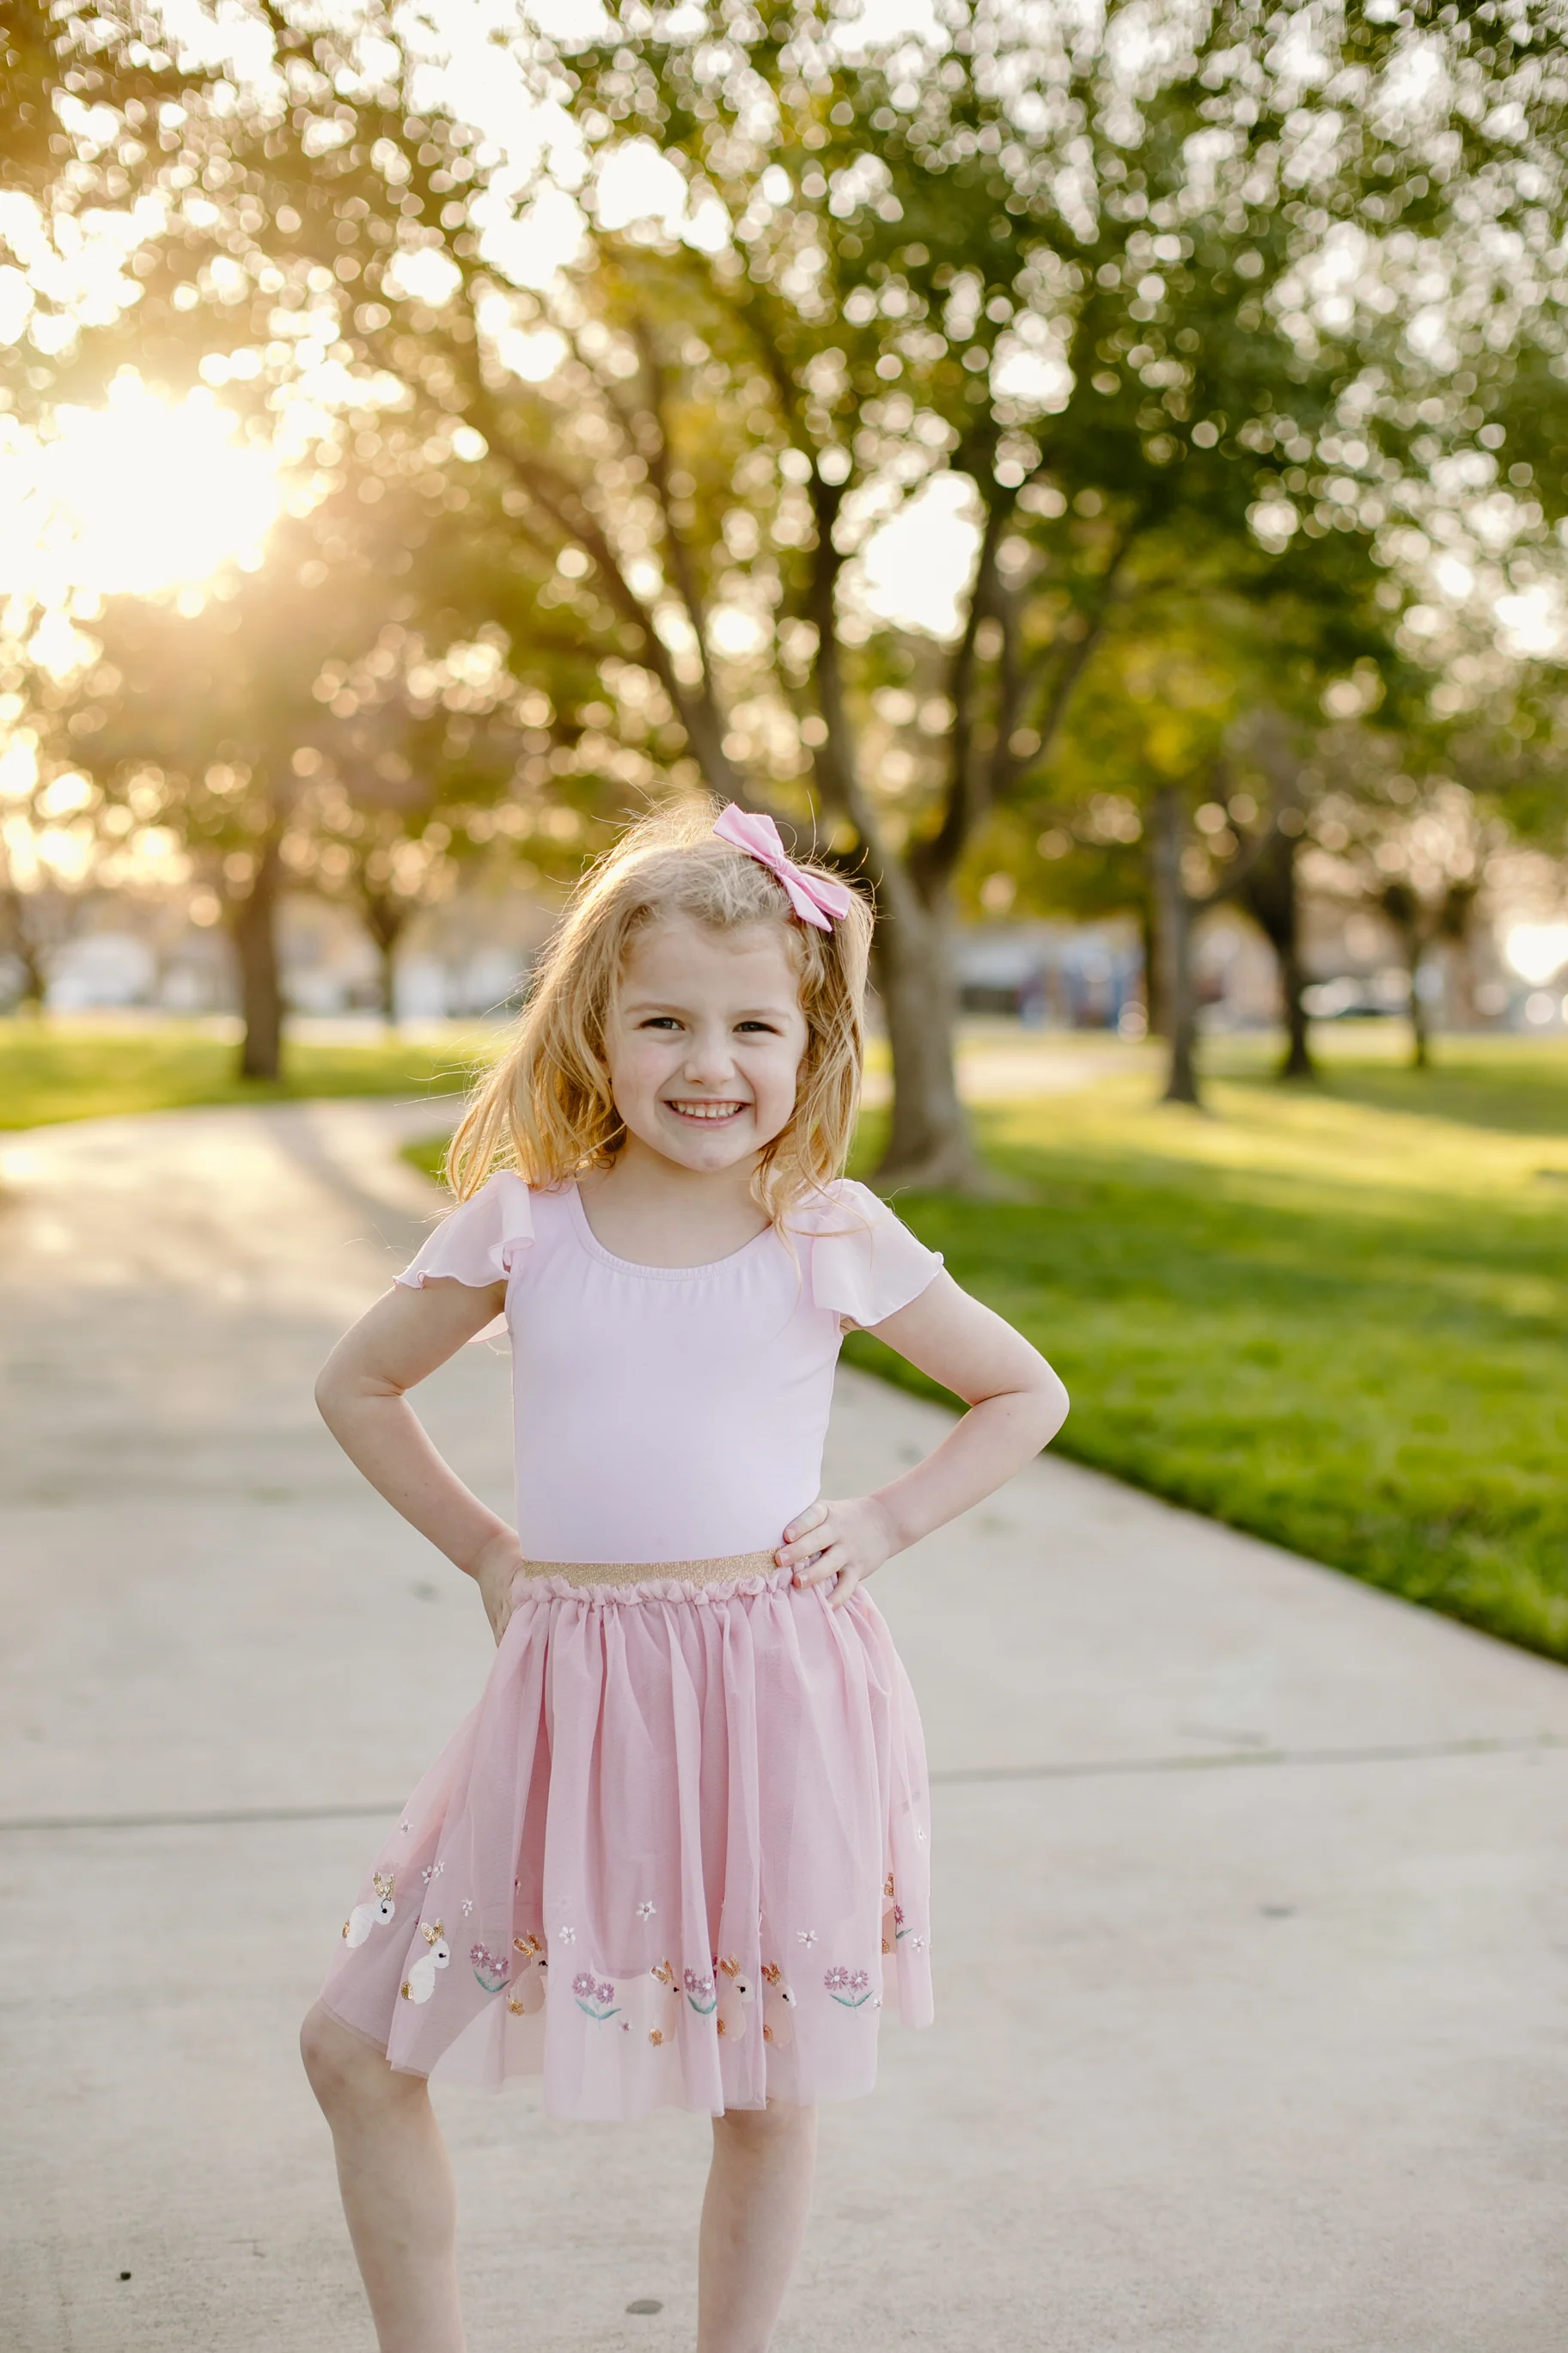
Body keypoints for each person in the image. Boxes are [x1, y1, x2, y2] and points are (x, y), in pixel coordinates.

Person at [300, 798, 1069, 2353]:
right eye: (663, 1020)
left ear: (811, 1041)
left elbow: (1023, 1392)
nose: (709, 1063)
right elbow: (357, 1386)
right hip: (567, 1693)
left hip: (772, 1688)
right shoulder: (526, 1224)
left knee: (771, 2088)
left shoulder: (823, 1230)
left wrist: (895, 1517)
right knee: (355, 2045)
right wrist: (489, 1549)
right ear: (595, 1028)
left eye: (750, 1026)